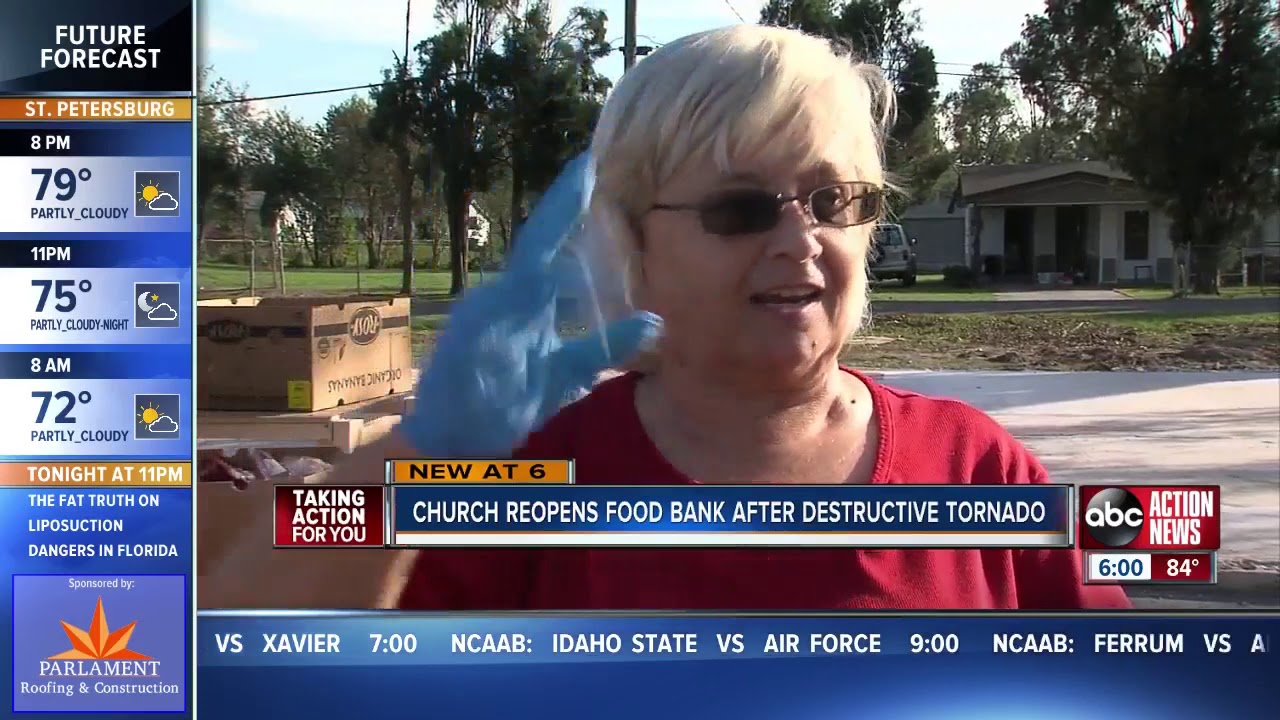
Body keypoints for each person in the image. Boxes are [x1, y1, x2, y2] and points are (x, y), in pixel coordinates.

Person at [202, 25, 1129, 610]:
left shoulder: (977, 468)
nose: (801, 239)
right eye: (741, 208)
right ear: (632, 245)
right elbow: (254, 647)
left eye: (834, 198)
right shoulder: (532, 477)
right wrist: (416, 458)